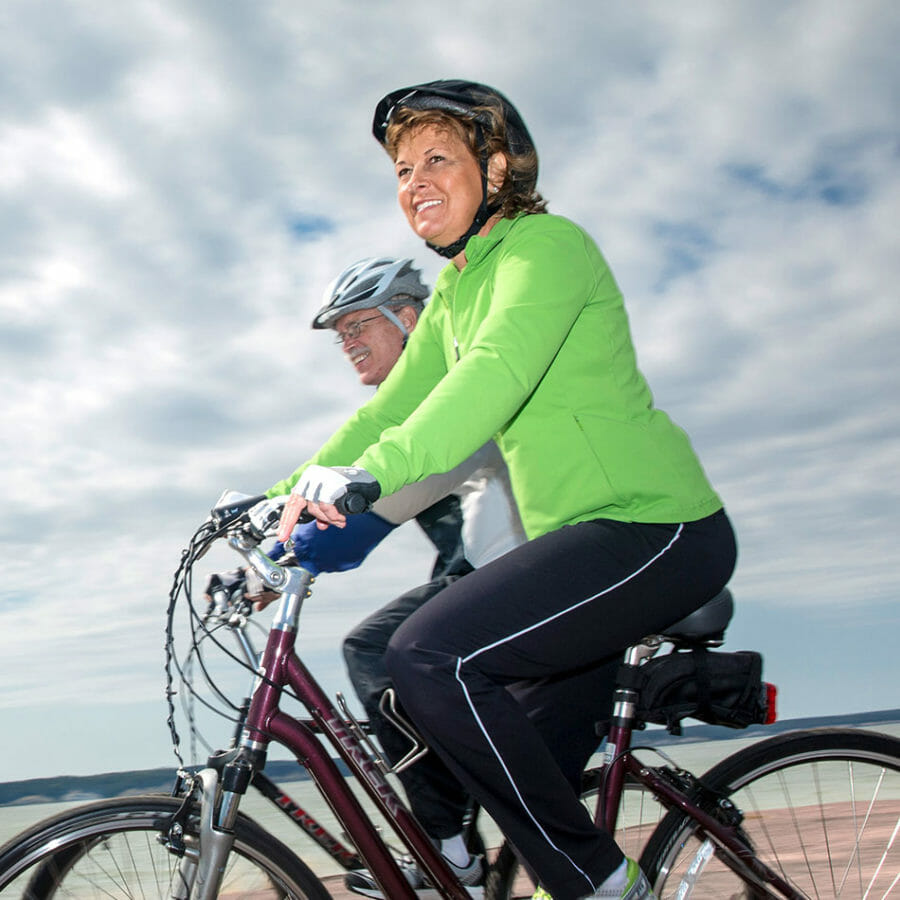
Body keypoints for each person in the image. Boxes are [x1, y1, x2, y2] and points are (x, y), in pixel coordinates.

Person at [270, 80, 737, 900]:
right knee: (517, 787)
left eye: (437, 159)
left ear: (496, 165)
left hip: (655, 528)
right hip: (583, 546)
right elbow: (391, 407)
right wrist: (275, 501)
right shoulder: (455, 288)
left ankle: (608, 886)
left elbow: (494, 375)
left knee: (425, 654)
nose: (413, 181)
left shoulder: (546, 248)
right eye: (403, 167)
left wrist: (373, 476)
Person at [265, 257, 527, 896]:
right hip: (483, 570)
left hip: (530, 568)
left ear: (409, 318)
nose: (348, 343)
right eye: (340, 336)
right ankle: (454, 829)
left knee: (377, 648)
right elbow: (348, 454)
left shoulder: (458, 389)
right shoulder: (405, 407)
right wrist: (267, 520)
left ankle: (449, 849)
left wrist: (310, 542)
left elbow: (399, 481)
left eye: (358, 326)